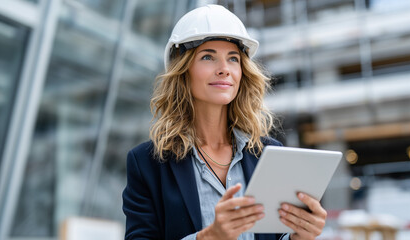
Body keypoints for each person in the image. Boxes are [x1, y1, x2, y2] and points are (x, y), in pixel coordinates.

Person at [122, 4, 327, 240]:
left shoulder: (268, 153)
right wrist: (210, 237)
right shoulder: (146, 163)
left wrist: (299, 236)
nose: (224, 69)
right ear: (183, 70)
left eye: (233, 58)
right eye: (208, 57)